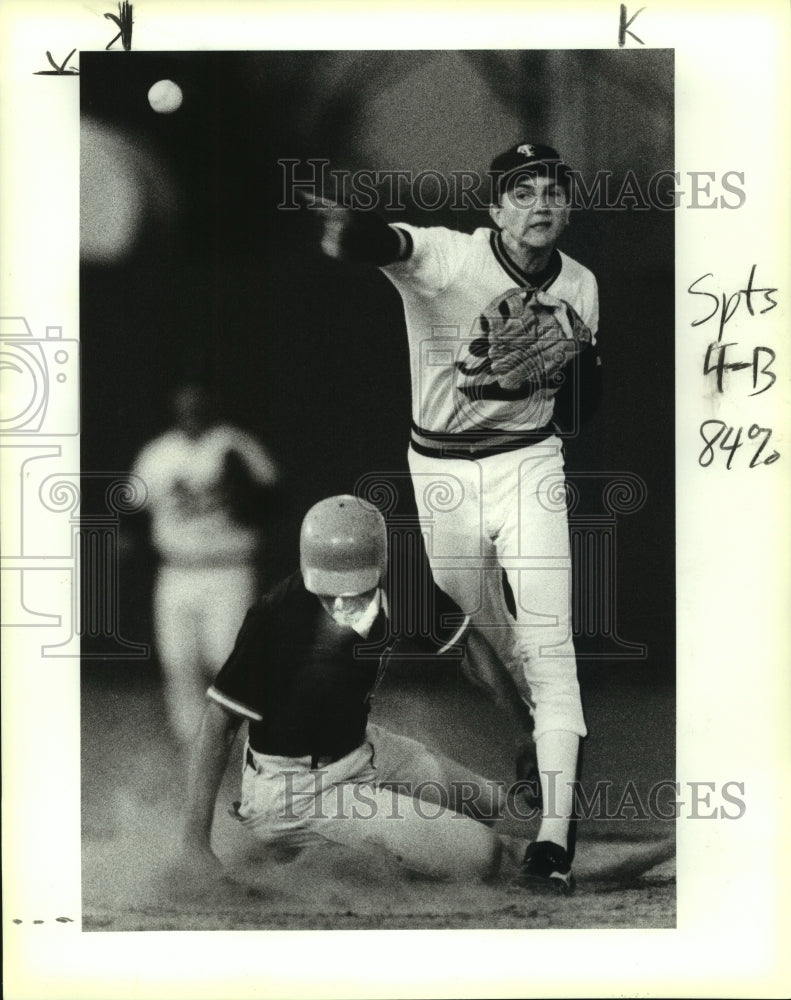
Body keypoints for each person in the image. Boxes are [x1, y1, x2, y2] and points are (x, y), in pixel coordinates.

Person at [300, 142, 602, 887]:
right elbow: (387, 242)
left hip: (527, 463)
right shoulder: (450, 257)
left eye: (552, 191)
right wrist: (351, 228)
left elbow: (584, 403)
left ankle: (553, 842)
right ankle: (536, 731)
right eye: (521, 192)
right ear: (493, 210)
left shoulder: (582, 286)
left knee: (549, 647)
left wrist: (567, 360)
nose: (540, 204)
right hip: (438, 472)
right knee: (484, 632)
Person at [179, 495, 544, 886]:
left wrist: (526, 732)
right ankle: (297, 849)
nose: (340, 601)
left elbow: (469, 646)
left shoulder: (400, 590)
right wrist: (195, 843)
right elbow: (220, 721)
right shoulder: (277, 617)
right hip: (297, 790)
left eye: (354, 587)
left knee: (505, 810)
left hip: (364, 750)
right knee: (480, 856)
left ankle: (350, 840)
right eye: (328, 588)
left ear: (381, 565)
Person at [130, 381, 280, 749]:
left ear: (212, 404)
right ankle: (193, 748)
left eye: (199, 403)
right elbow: (132, 510)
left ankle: (249, 747)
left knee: (227, 660)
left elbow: (273, 501)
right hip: (177, 570)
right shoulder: (157, 454)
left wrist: (240, 492)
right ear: (174, 406)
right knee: (179, 661)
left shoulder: (237, 445)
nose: (192, 410)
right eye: (185, 403)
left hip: (228, 568)